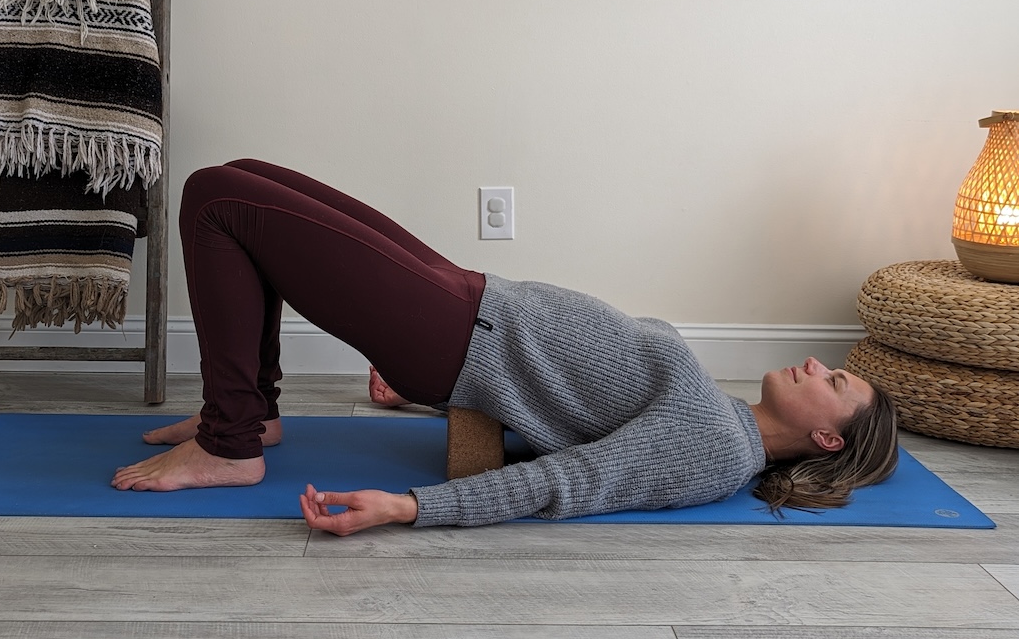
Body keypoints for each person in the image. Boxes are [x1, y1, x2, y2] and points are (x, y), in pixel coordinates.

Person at [111, 159, 899, 535]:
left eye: (833, 381)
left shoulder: (717, 450)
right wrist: (434, 396)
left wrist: (408, 508)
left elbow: (573, 479)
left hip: (456, 330)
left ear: (827, 436)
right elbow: (573, 412)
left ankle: (231, 440)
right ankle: (251, 412)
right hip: (468, 303)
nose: (815, 364)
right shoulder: (721, 416)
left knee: (215, 201)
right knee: (241, 177)